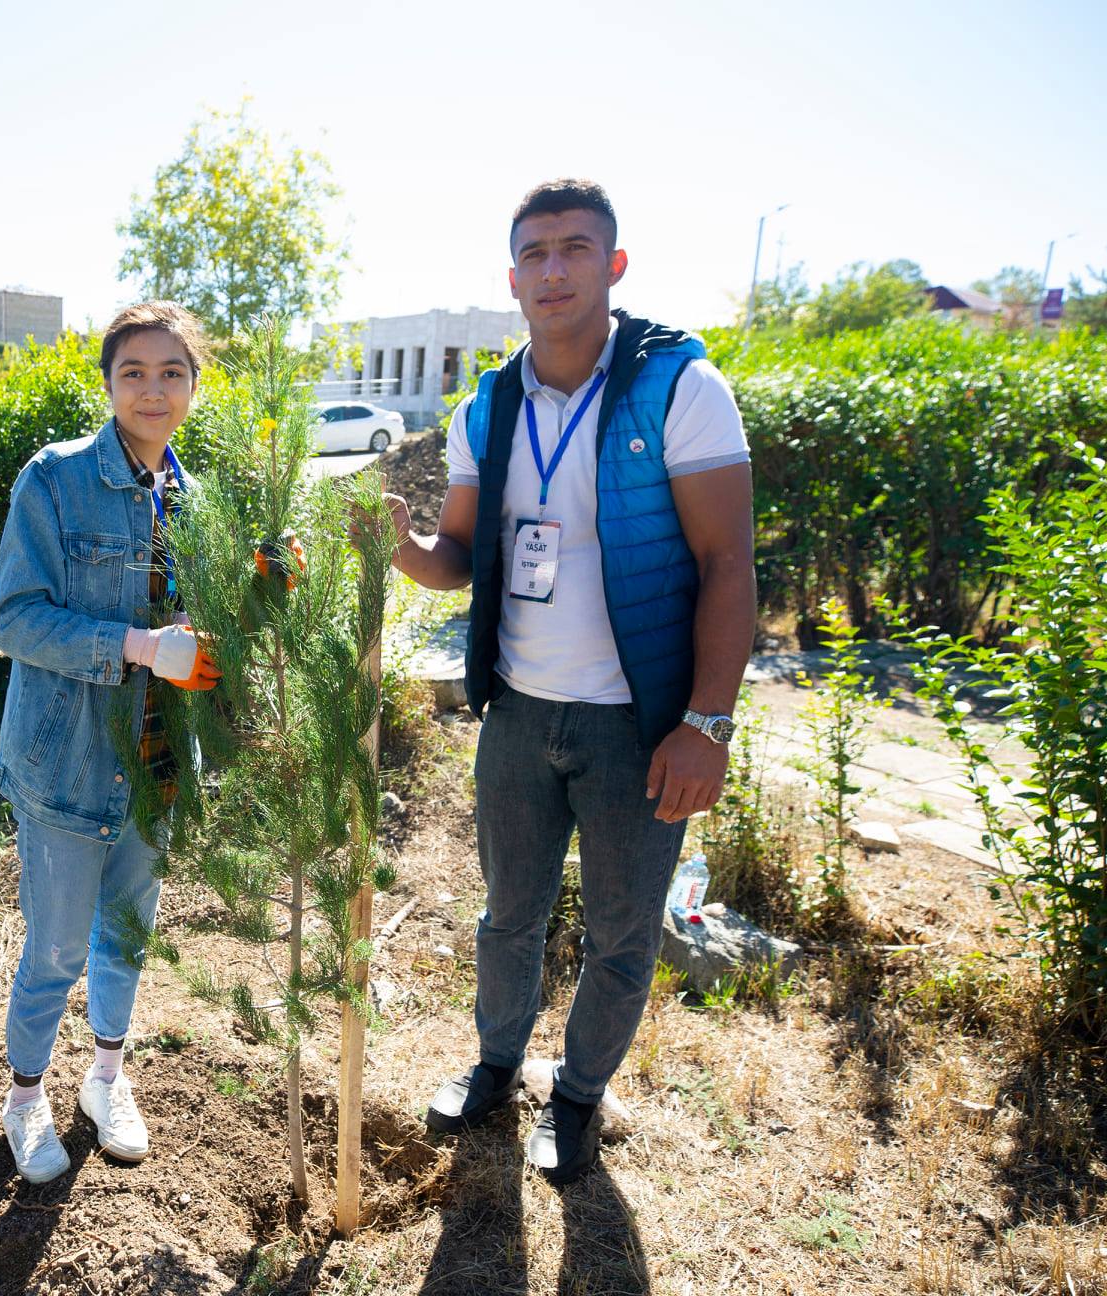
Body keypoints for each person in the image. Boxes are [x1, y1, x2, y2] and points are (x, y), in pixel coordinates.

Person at [379, 179, 756, 1184]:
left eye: (575, 249)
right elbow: (461, 556)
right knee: (508, 913)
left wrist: (707, 725)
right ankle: (497, 1066)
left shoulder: (679, 388)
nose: (553, 270)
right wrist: (403, 548)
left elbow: (728, 564)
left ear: (614, 265)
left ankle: (579, 1098)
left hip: (638, 725)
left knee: (622, 933)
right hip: (518, 712)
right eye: (534, 254)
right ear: (512, 278)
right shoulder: (488, 405)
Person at [0, 301, 220, 1185]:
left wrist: (259, 592)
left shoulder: (195, 502)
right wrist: (137, 647)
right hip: (66, 763)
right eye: (134, 373)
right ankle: (23, 1100)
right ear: (109, 383)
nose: (153, 390)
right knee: (55, 949)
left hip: (156, 764)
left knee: (125, 936)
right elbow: (14, 620)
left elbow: (204, 636)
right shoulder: (54, 480)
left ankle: (106, 1081)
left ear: (193, 385)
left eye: (171, 373)